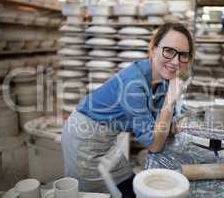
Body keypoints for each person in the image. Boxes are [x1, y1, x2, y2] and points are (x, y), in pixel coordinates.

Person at [61, 22, 195, 197]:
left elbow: (158, 127)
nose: (176, 61)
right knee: (102, 194)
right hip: (84, 138)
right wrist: (169, 102)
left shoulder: (162, 80)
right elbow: (154, 144)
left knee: (129, 186)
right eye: (168, 51)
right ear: (153, 49)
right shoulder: (133, 84)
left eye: (183, 55)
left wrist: (173, 119)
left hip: (107, 140)